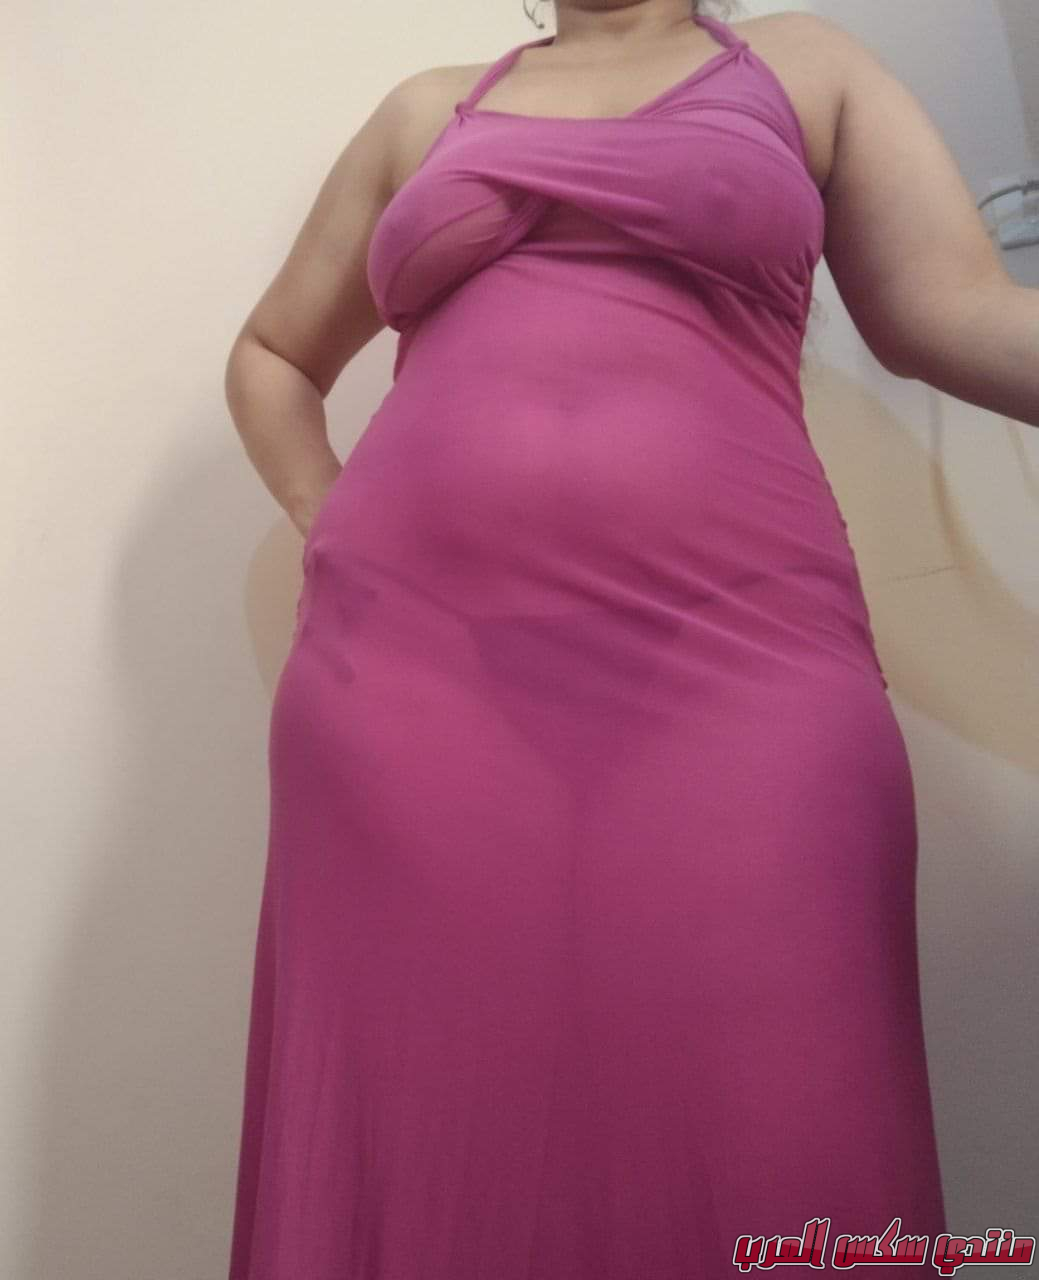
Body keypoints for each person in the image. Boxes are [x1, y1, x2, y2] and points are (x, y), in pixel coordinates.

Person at [223, 2, 1033, 1275]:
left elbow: (955, 309)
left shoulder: (804, 68)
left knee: (785, 1100)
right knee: (435, 1106)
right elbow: (273, 351)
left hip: (739, 668)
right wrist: (336, 525)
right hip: (408, 696)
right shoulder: (426, 108)